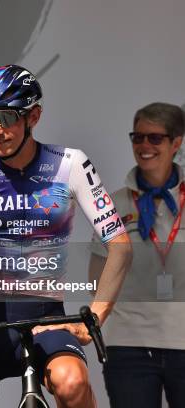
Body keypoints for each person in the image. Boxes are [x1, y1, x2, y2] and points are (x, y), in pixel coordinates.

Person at [0, 65, 133, 407]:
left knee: (72, 383)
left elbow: (120, 248)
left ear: (33, 116)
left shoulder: (69, 164)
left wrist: (94, 319)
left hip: (45, 315)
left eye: (6, 117)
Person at [89, 102, 185, 408]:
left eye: (155, 138)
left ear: (176, 142)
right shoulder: (113, 204)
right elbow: (97, 278)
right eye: (137, 137)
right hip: (128, 346)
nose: (144, 146)